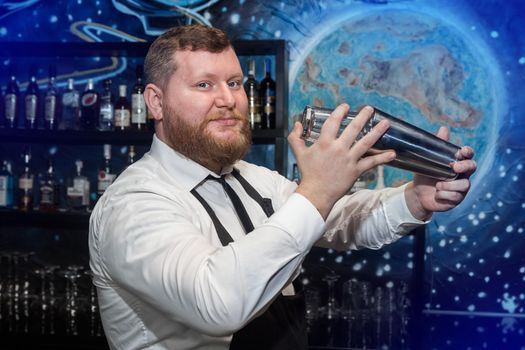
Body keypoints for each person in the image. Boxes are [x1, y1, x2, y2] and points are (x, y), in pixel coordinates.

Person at [88, 24, 476, 350]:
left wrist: (413, 198)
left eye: (235, 83)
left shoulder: (252, 180)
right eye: (204, 85)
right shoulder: (134, 203)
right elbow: (218, 304)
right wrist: (319, 189)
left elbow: (341, 221)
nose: (228, 100)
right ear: (155, 102)